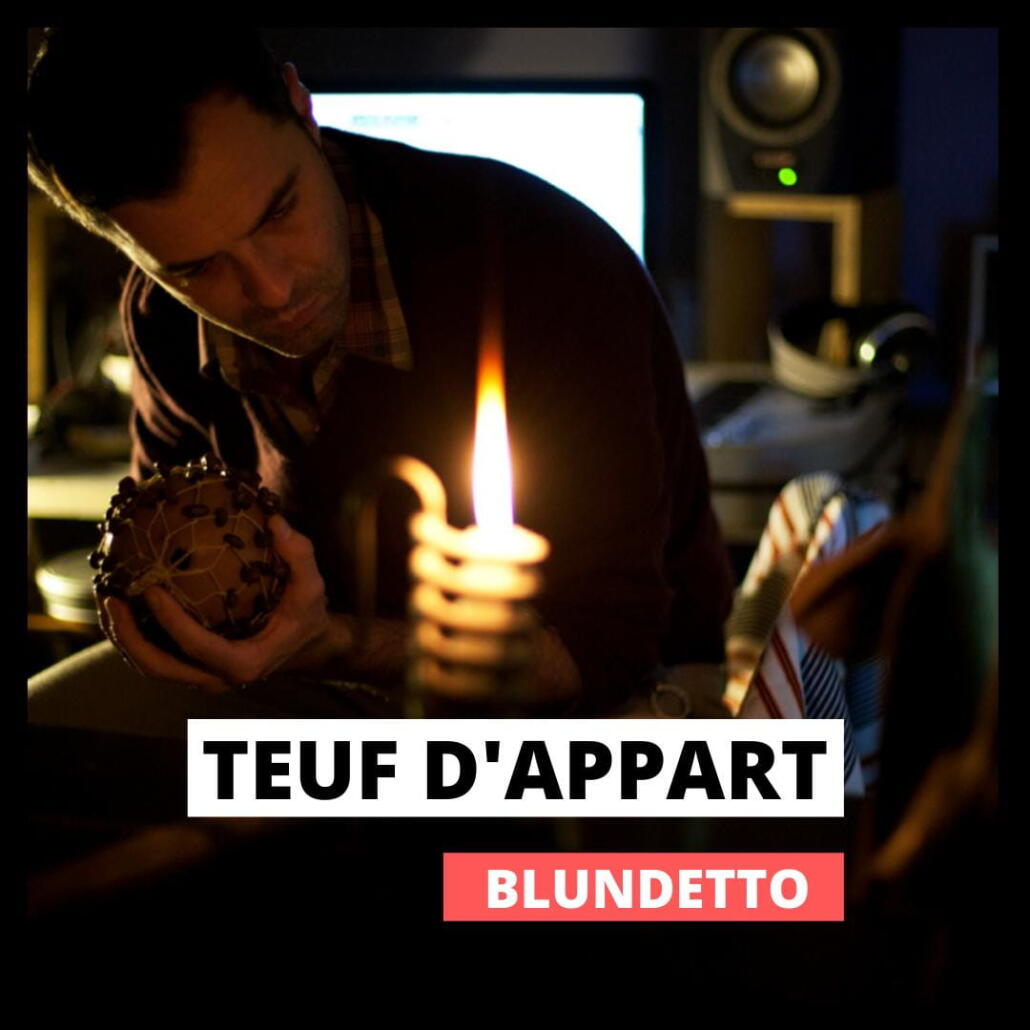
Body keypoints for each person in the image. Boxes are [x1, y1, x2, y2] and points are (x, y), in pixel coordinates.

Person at [27, 26, 733, 725]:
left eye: (278, 212)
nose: (272, 290)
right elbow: (174, 554)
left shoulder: (549, 265)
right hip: (313, 687)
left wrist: (333, 645)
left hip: (608, 702)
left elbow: (608, 648)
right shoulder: (161, 317)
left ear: (300, 105)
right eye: (196, 268)